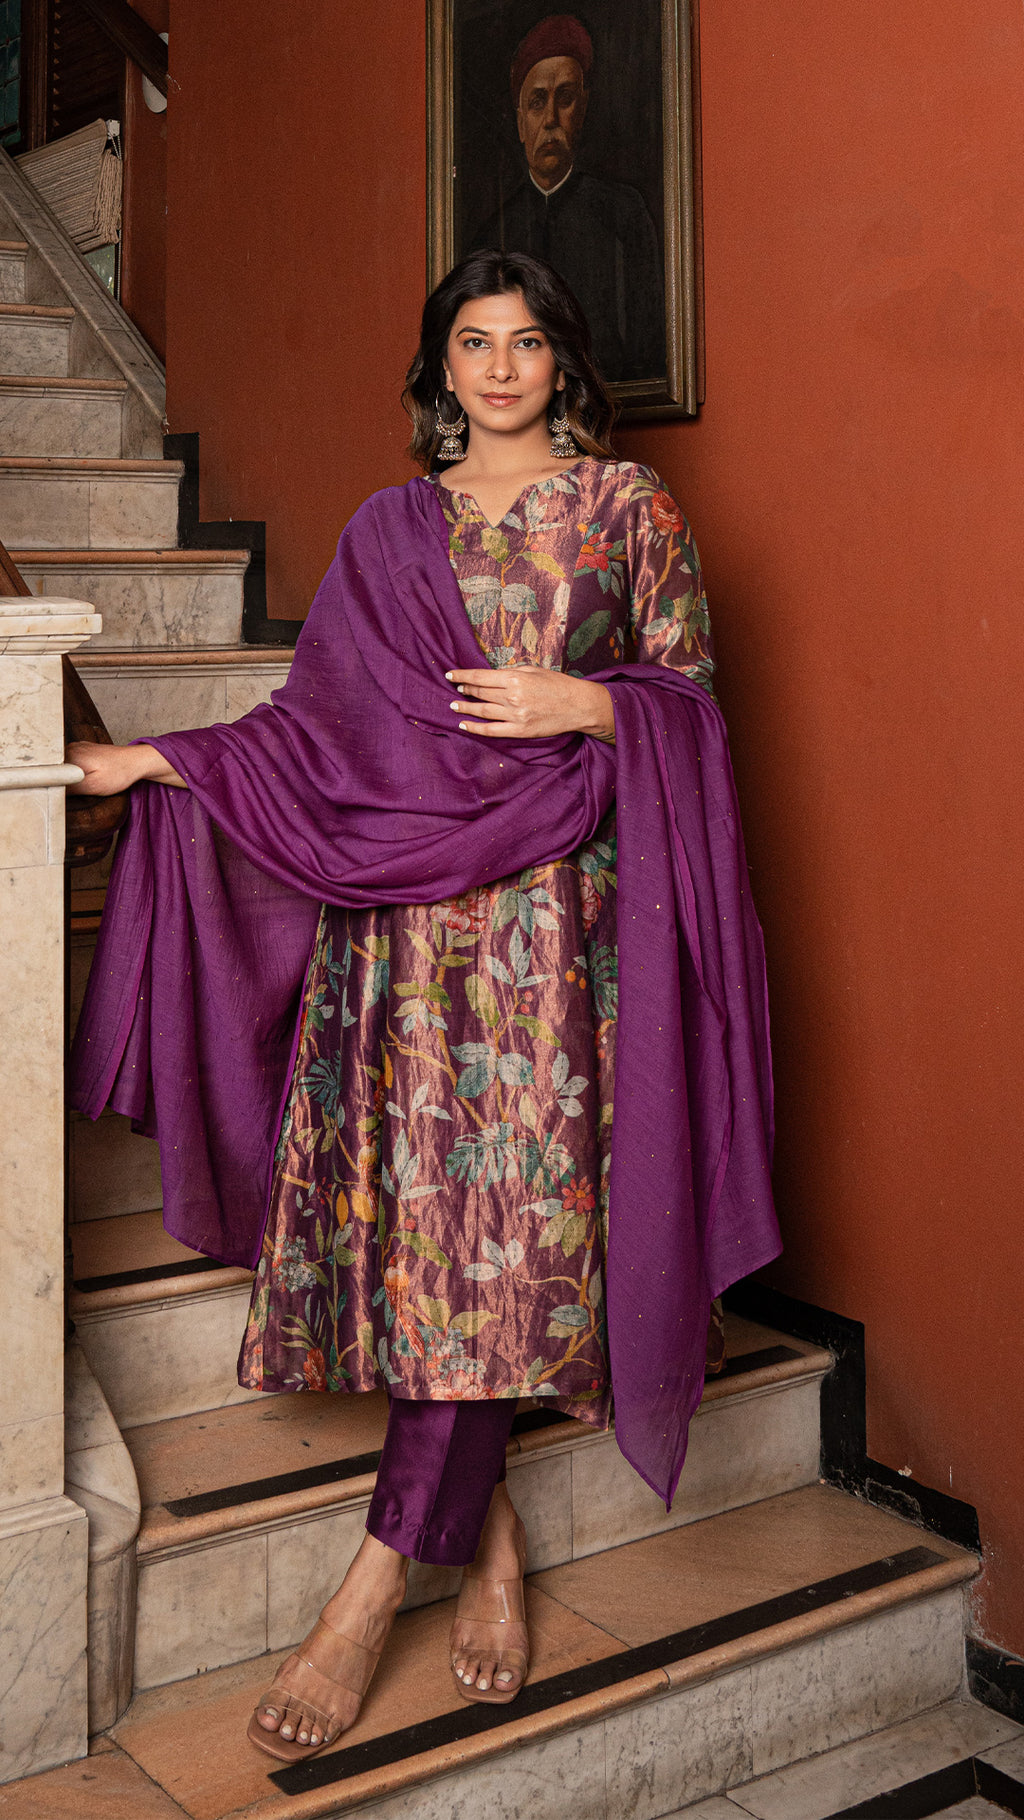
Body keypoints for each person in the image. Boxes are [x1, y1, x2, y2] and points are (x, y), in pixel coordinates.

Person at [68, 249, 779, 1762]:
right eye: (474, 342)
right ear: (440, 366)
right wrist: (159, 763)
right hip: (398, 944)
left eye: (526, 341)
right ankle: (490, 1540)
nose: (502, 367)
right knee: (434, 1239)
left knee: (506, 1234)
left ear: (561, 361)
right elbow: (315, 728)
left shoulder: (629, 509)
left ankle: (375, 1580)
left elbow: (698, 708)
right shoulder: (389, 529)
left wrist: (590, 704)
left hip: (552, 936)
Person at [468, 14, 665, 383]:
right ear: (520, 122)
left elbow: (646, 347)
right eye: (537, 102)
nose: (550, 120)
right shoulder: (493, 235)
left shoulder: (625, 212)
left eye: (565, 99)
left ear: (583, 109)